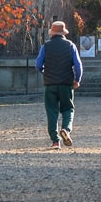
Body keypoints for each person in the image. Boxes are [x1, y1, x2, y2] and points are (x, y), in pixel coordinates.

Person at [34, 20, 82, 149]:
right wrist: (77, 80)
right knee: (68, 108)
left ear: (52, 33)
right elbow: (78, 65)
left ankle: (55, 141)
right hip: (66, 83)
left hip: (50, 83)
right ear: (63, 33)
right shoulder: (70, 45)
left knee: (51, 111)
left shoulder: (46, 46)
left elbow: (38, 64)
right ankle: (66, 129)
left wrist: (44, 72)